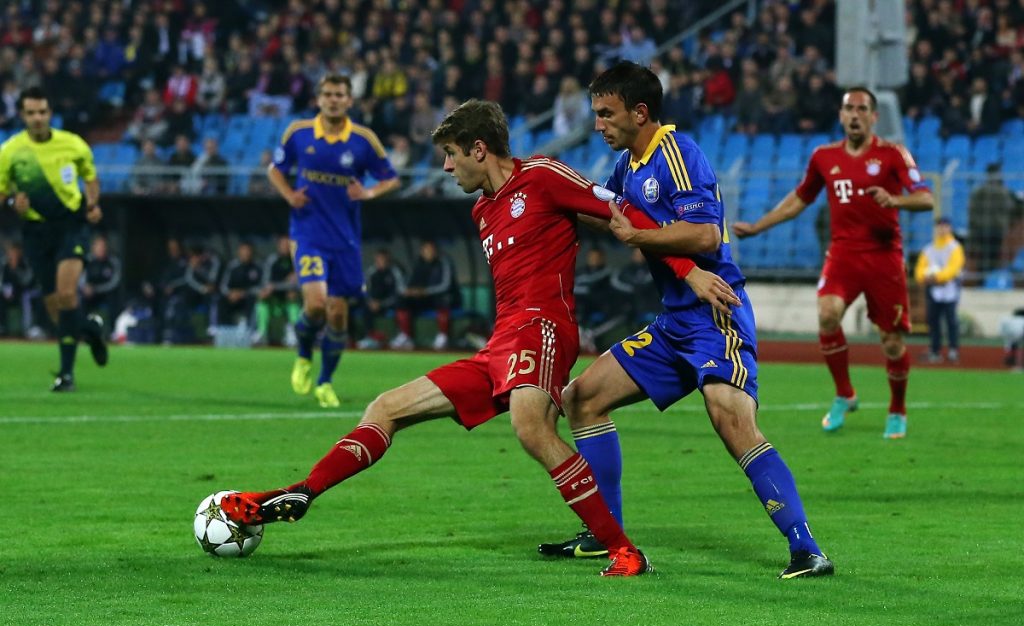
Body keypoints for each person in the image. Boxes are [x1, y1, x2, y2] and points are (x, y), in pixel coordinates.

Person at [219, 99, 736, 577]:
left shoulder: (543, 175)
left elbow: (624, 215)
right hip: (499, 345)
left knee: (531, 428)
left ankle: (623, 551)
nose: (447, 168)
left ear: (479, 149)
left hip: (545, 327)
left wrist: (687, 270)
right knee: (385, 407)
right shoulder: (482, 210)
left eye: (450, 155)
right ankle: (300, 492)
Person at [540, 61, 833, 579]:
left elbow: (706, 236)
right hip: (674, 323)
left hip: (715, 313)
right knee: (582, 399)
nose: (599, 124)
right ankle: (603, 533)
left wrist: (640, 238)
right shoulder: (628, 166)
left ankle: (806, 548)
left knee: (732, 421)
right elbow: (609, 216)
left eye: (607, 114)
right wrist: (543, 196)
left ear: (640, 111)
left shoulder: (677, 155)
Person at [733, 86, 934, 440]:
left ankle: (897, 409)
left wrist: (894, 200)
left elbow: (926, 199)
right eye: (849, 108)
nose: (855, 114)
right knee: (827, 315)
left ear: (874, 117)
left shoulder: (893, 155)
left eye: (862, 109)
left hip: (884, 256)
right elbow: (799, 199)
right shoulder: (823, 157)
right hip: (842, 253)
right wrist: (759, 226)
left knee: (890, 341)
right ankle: (845, 393)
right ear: (841, 116)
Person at [268, 73, 401, 409]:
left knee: (339, 316)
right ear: (318, 98)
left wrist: (368, 192)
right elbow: (275, 169)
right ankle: (302, 356)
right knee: (315, 304)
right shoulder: (298, 133)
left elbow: (391, 178)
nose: (333, 99)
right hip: (308, 232)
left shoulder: (363, 140)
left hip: (345, 240)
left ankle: (325, 382)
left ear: (349, 100)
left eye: (340, 94)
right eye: (327, 93)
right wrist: (288, 195)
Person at [0, 87, 108, 391]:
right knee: (56, 312)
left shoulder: (72, 144)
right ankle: (90, 329)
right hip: (36, 233)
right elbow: (3, 192)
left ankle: (66, 374)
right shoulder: (10, 151)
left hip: (71, 226)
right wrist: (11, 203)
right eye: (31, 113)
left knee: (66, 295)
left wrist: (93, 204)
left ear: (50, 113)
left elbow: (90, 176)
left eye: (42, 112)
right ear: (22, 115)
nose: (37, 118)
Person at [389, 239, 458, 351]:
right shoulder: (417, 264)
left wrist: (425, 291)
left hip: (439, 297)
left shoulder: (444, 263)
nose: (429, 252)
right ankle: (406, 336)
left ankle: (443, 336)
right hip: (421, 299)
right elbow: (406, 283)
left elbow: (446, 285)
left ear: (436, 251)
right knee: (401, 300)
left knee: (443, 300)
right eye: (426, 250)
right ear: (422, 251)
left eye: (431, 250)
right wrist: (410, 291)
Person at [914, 217, 964, 364]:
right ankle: (935, 350)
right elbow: (920, 269)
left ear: (950, 228)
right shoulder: (929, 248)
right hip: (933, 289)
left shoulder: (955, 247)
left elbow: (954, 268)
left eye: (945, 226)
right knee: (933, 321)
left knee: (951, 320)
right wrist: (924, 278)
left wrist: (938, 277)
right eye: (939, 227)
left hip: (950, 289)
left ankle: (953, 349)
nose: (942, 230)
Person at [968, 163, 1021, 274]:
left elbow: (972, 210)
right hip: (997, 228)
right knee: (995, 256)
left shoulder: (979, 191)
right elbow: (1013, 209)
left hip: (982, 229)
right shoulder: (1005, 192)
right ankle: (992, 279)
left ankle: (984, 279)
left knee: (984, 256)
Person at [255, 235, 299, 346]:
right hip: (274, 300)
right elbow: (266, 283)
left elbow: (301, 284)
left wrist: (289, 285)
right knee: (261, 300)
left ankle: (293, 332)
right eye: (283, 245)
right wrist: (284, 284)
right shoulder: (272, 260)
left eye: (288, 245)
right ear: (278, 246)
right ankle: (262, 333)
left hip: (291, 300)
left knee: (293, 299)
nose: (286, 247)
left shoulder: (298, 261)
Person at [358, 248, 404, 349]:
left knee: (402, 303)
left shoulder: (395, 271)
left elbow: (400, 292)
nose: (381, 262)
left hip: (389, 303)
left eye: (384, 259)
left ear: (388, 260)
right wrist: (371, 302)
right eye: (379, 260)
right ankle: (369, 337)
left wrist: (382, 304)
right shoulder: (371, 272)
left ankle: (401, 336)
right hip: (373, 303)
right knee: (362, 305)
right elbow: (363, 289)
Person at [80, 235, 122, 332]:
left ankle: (113, 332)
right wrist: (85, 287)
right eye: (99, 246)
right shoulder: (88, 261)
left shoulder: (113, 262)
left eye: (103, 246)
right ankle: (81, 331)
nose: (101, 249)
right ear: (93, 248)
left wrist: (96, 289)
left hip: (106, 294)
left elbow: (114, 282)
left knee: (114, 302)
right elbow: (81, 278)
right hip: (89, 295)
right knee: (79, 301)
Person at [218, 240, 262, 328]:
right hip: (232, 297)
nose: (246, 253)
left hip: (249, 297)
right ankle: (224, 330)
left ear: (252, 252)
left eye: (248, 250)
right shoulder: (232, 266)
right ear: (238, 252)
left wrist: (243, 293)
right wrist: (230, 293)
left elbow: (261, 286)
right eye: (243, 250)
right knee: (221, 301)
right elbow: (223, 286)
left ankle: (251, 330)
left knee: (254, 301)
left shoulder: (258, 267)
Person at [0, 240, 40, 336]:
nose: (12, 254)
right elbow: (4, 282)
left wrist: (15, 270)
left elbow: (27, 281)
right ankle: (2, 326)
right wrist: (6, 291)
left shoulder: (25, 263)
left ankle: (27, 328)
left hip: (27, 291)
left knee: (26, 297)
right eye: (11, 252)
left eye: (14, 252)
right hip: (10, 293)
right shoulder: (5, 265)